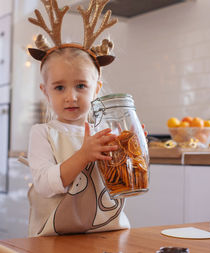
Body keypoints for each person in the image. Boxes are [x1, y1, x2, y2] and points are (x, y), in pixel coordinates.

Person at [26, 0, 132, 237]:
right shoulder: (42, 133)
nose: (71, 97)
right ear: (46, 92)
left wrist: (133, 151)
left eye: (81, 86)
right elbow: (44, 185)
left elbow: (122, 183)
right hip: (55, 237)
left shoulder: (105, 129)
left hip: (107, 231)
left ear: (96, 89)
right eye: (60, 87)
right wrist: (83, 155)